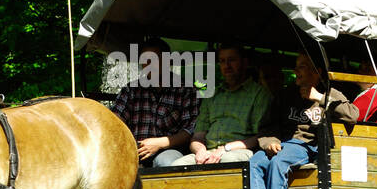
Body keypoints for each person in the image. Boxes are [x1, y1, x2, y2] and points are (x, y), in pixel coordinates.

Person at [249, 51, 359, 189]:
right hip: (281, 143)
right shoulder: (286, 94)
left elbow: (352, 115)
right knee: (255, 162)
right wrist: (270, 141)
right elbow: (268, 124)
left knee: (278, 163)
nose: (296, 71)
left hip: (307, 146)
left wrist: (319, 97)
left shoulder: (330, 92)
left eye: (301, 66)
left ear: (316, 71)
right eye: (296, 66)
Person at [173, 44, 273, 165]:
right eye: (222, 61)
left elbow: (261, 137)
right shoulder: (212, 95)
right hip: (209, 152)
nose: (226, 66)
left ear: (245, 63)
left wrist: (226, 148)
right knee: (176, 165)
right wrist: (201, 151)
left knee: (226, 161)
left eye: (232, 60)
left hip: (241, 151)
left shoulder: (259, 94)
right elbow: (198, 136)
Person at [109, 37, 198, 167]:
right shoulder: (131, 90)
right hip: (134, 150)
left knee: (166, 162)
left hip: (169, 150)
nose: (149, 65)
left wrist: (159, 143)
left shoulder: (186, 89)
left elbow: (190, 130)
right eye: (145, 60)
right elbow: (114, 121)